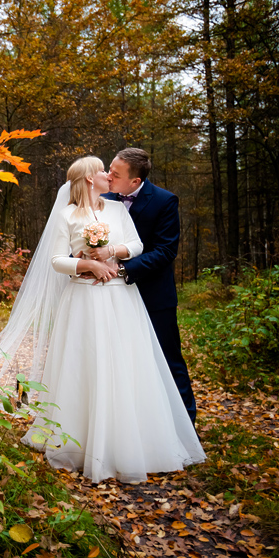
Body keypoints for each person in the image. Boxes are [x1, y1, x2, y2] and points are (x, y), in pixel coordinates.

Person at [19, 156, 204, 483]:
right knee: (86, 365)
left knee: (128, 365)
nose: (107, 174)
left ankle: (142, 438)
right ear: (90, 179)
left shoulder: (117, 210)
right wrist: (88, 265)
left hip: (121, 298)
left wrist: (111, 252)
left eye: (112, 171)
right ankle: (83, 441)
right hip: (84, 298)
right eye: (103, 170)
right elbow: (57, 259)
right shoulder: (67, 215)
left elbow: (138, 244)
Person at [89, 148, 198, 426]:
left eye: (115, 173)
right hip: (112, 297)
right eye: (109, 169)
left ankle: (185, 426)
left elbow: (164, 251)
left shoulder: (164, 201)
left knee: (168, 359)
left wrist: (122, 270)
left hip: (153, 295)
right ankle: (135, 426)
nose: (108, 176)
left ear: (135, 182)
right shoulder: (103, 198)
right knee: (123, 361)